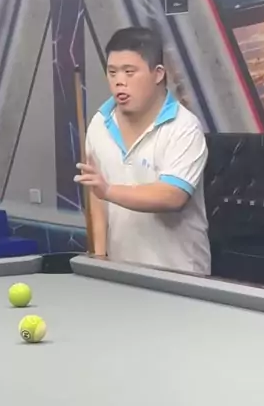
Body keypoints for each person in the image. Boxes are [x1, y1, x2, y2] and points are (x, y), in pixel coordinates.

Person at [75, 27, 210, 275]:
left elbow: (172, 196)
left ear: (158, 74)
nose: (119, 81)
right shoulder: (99, 123)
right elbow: (97, 195)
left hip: (181, 275)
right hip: (121, 272)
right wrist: (100, 256)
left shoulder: (184, 128)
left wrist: (109, 190)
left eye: (129, 72)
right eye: (112, 72)